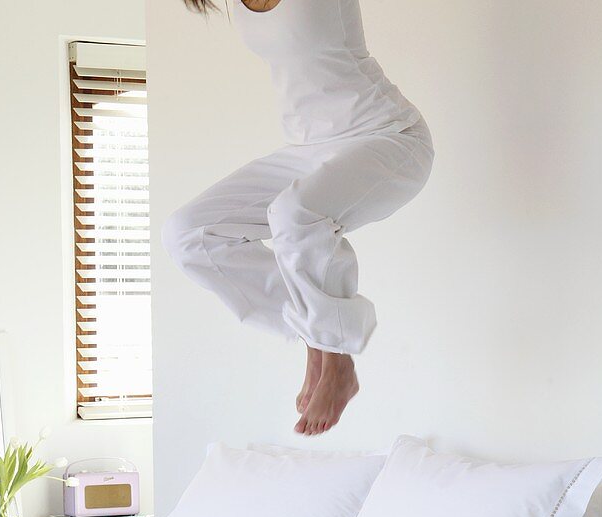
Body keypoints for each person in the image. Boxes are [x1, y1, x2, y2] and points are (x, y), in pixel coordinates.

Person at [163, 0, 434, 435]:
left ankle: (336, 357)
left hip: (388, 136)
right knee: (188, 233)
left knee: (293, 213)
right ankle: (315, 335)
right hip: (307, 151)